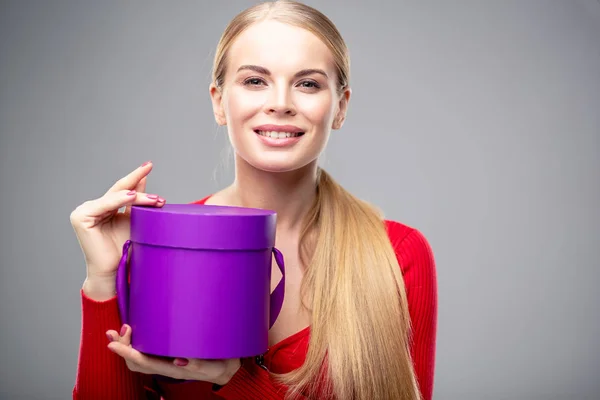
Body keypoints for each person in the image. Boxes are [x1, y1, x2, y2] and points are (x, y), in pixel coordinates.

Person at [69, 1, 438, 399]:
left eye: (308, 83)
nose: (280, 102)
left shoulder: (396, 256)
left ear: (341, 107)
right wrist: (104, 281)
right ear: (218, 101)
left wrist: (236, 380)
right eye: (255, 81)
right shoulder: (160, 242)